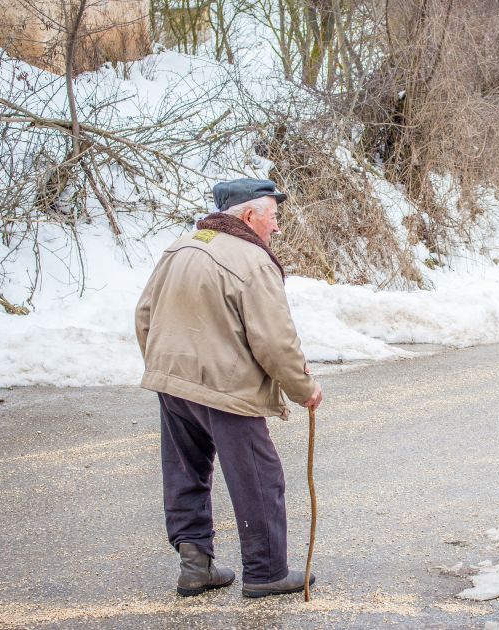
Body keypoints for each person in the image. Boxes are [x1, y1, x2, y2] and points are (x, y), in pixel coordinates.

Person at [135, 177, 323, 598]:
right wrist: (302, 387)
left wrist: (163, 365)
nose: (276, 228)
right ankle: (267, 571)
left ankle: (195, 565)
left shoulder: (181, 246)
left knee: (186, 472)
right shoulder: (253, 260)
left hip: (173, 380)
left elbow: (144, 313)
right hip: (225, 387)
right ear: (250, 214)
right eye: (273, 217)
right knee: (260, 477)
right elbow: (275, 340)